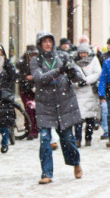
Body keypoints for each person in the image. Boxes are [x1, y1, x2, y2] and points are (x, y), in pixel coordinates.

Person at [31, 32, 86, 183]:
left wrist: (74, 73)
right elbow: (39, 79)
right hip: (45, 105)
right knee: (44, 140)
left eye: (50, 41)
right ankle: (46, 173)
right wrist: (58, 71)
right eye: (44, 42)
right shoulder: (35, 61)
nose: (48, 44)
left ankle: (76, 163)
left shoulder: (63, 57)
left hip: (64, 104)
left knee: (68, 140)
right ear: (40, 44)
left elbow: (76, 76)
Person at [73, 43, 102, 148]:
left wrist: (86, 81)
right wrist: (77, 83)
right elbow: (71, 75)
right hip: (79, 93)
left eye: (85, 53)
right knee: (78, 118)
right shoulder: (74, 61)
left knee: (90, 117)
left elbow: (98, 73)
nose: (83, 55)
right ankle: (78, 139)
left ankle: (88, 138)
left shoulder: (94, 60)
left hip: (90, 92)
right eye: (81, 53)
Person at [16, 44, 39, 138]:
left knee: (35, 110)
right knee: (29, 110)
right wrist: (26, 78)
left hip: (36, 88)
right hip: (25, 89)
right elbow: (17, 77)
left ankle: (34, 129)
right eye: (31, 54)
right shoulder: (21, 64)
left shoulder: (39, 63)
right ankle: (30, 129)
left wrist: (34, 78)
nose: (32, 56)